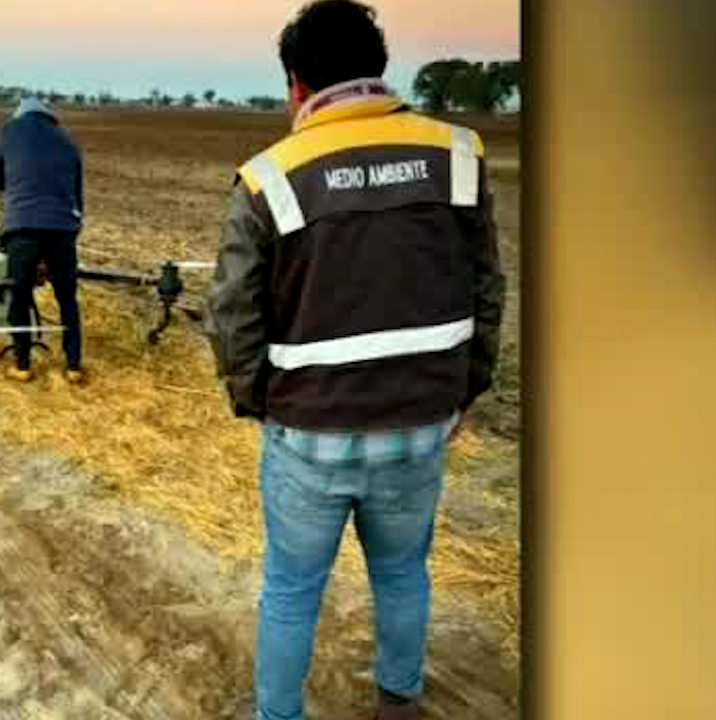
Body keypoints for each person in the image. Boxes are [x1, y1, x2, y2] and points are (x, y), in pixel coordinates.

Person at [202, 1, 505, 718]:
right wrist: (464, 392)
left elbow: (232, 313)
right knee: (402, 574)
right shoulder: (459, 155)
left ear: (297, 84)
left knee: (291, 591)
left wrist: (258, 401)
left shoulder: (270, 176)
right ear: (378, 68)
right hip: (420, 429)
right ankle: (399, 703)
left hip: (308, 435)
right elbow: (487, 287)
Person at [0, 97, 86, 384]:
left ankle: (23, 366)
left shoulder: (10, 131)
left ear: (20, 114)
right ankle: (74, 366)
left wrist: (16, 180)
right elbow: (78, 196)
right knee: (67, 298)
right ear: (49, 116)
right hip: (63, 228)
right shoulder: (67, 140)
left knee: (20, 297)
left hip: (23, 227)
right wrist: (71, 229)